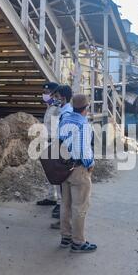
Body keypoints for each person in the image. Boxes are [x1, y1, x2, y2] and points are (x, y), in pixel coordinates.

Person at [58, 94, 96, 253]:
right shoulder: (84, 125)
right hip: (79, 170)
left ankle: (66, 237)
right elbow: (84, 151)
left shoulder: (64, 120)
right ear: (86, 108)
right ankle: (78, 242)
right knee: (80, 206)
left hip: (64, 168)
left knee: (65, 204)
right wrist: (91, 164)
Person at [50, 85, 73, 230]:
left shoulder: (67, 114)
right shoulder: (64, 112)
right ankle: (64, 222)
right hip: (62, 154)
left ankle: (66, 225)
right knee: (64, 193)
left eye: (57, 96)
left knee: (66, 194)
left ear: (63, 98)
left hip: (64, 156)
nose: (55, 99)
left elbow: (65, 139)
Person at [36, 82, 60, 208]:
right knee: (49, 172)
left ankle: (61, 204)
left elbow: (57, 129)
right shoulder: (50, 107)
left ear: (53, 94)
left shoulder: (57, 108)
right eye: (43, 92)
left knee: (58, 173)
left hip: (55, 143)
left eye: (46, 92)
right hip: (47, 142)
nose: (44, 95)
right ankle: (52, 197)